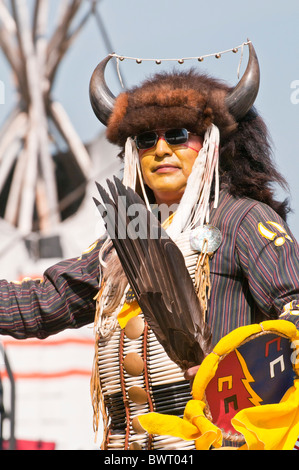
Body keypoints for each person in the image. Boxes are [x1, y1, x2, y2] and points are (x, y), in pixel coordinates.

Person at [1, 42, 299, 450]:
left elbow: (295, 306)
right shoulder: (121, 244)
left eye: (178, 135)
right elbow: (42, 303)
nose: (160, 149)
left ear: (211, 143)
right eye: (144, 140)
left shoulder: (243, 220)